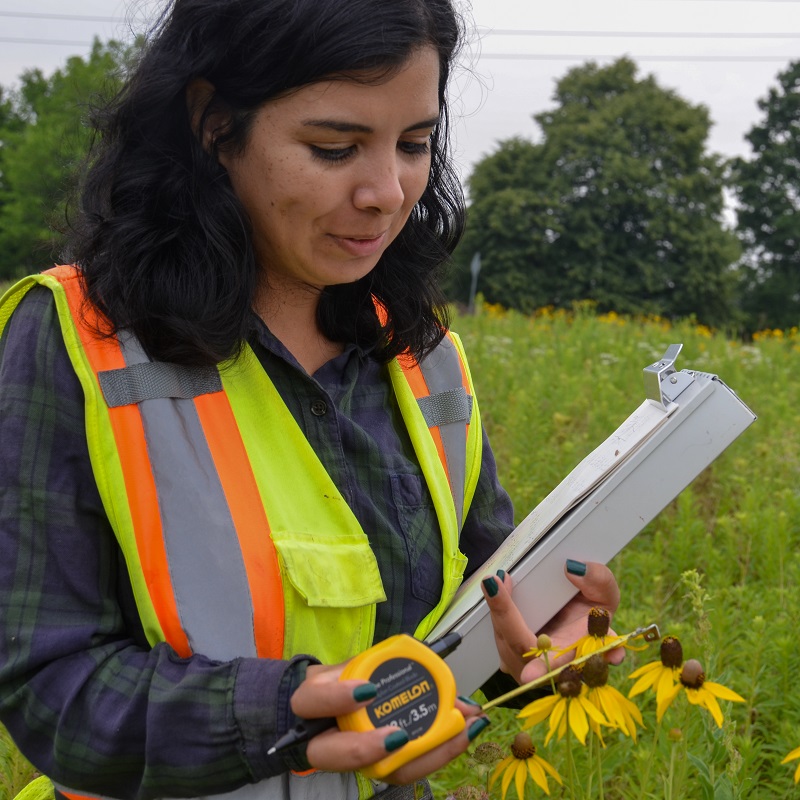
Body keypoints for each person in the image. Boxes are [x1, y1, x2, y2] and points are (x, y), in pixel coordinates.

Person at [0, 1, 622, 798]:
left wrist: (537, 647)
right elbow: (48, 689)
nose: (387, 192)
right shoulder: (75, 342)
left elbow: (464, 628)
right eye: (335, 148)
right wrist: (278, 715)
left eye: (415, 143)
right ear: (213, 124)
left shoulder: (420, 354)